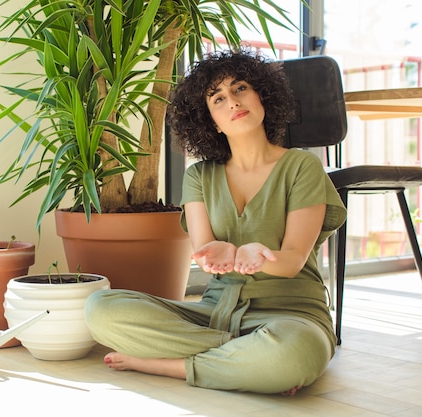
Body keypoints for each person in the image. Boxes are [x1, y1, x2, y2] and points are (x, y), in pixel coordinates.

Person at [84, 48, 347, 395]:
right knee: (100, 309)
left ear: (262, 95)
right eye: (218, 99)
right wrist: (218, 253)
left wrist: (259, 254)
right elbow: (206, 253)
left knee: (293, 352)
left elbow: (293, 260)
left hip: (291, 314)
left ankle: (173, 365)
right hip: (214, 313)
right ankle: (248, 360)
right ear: (210, 120)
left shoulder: (302, 166)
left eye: (240, 89)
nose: (233, 102)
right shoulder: (199, 177)